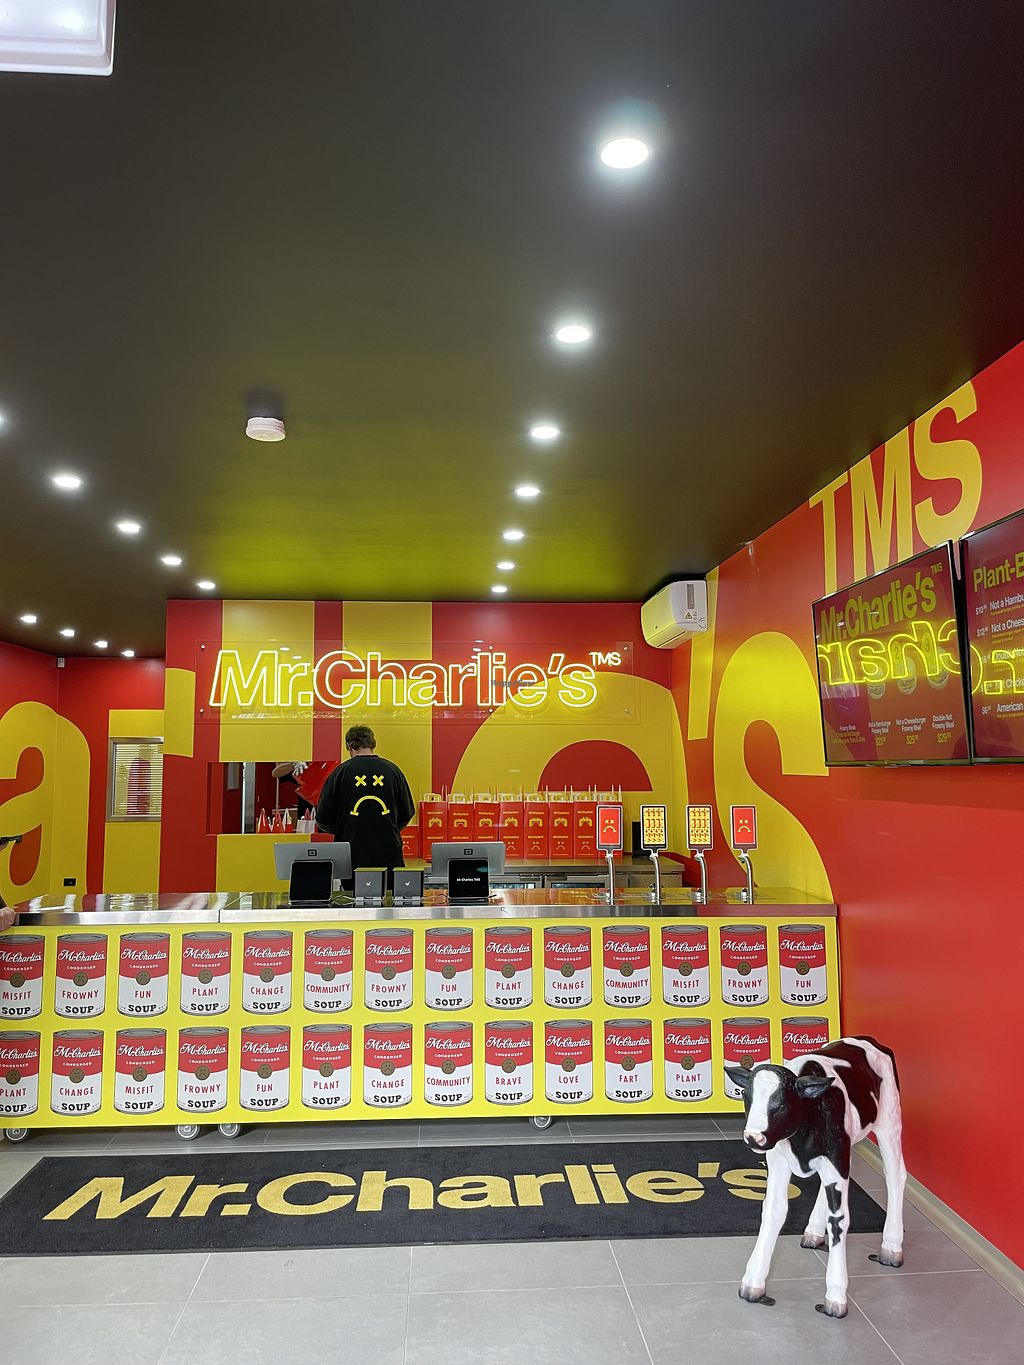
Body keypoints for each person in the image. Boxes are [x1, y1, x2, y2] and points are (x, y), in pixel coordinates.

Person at [315, 726, 415, 886]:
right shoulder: (393, 771)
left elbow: (323, 818)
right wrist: (387, 828)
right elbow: (407, 812)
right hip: (389, 853)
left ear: (349, 745)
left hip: (351, 854)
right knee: (388, 897)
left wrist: (344, 828)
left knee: (353, 898)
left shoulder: (340, 773)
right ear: (372, 743)